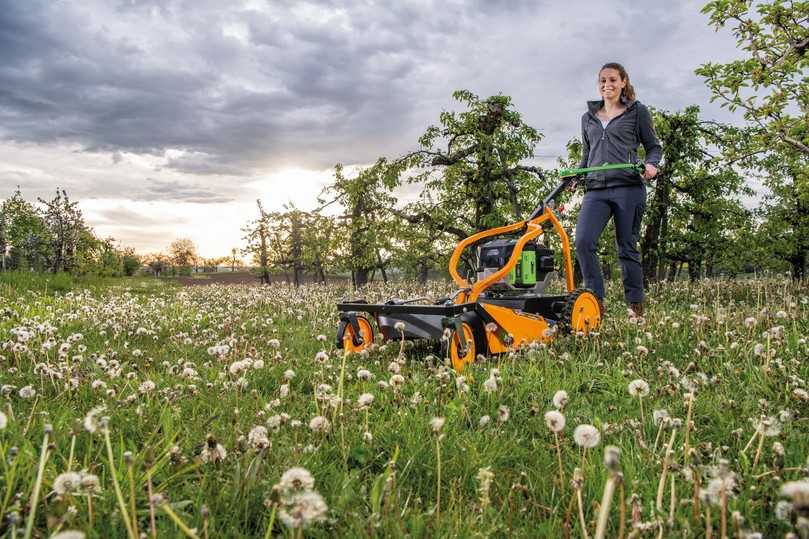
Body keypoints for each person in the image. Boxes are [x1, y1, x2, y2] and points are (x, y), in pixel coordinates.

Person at [574, 62, 662, 318]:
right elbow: (587, 154)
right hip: (596, 190)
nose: (607, 85)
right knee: (583, 242)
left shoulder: (637, 112)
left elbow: (653, 147)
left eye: (613, 80)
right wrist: (577, 176)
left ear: (623, 82)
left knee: (626, 246)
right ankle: (595, 303)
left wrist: (651, 165)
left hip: (628, 188)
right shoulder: (587, 117)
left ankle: (635, 306)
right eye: (602, 80)